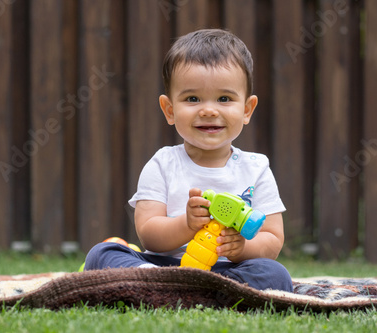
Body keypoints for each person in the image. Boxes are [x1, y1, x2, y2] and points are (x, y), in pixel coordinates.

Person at [84, 28, 293, 292]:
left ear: (247, 109)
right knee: (102, 253)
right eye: (192, 99)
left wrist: (242, 248)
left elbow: (272, 239)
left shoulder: (256, 168)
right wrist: (186, 224)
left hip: (227, 268)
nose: (208, 110)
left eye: (224, 99)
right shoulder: (163, 164)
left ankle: (207, 290)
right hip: (165, 265)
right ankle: (161, 284)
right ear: (169, 110)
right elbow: (148, 233)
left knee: (275, 274)